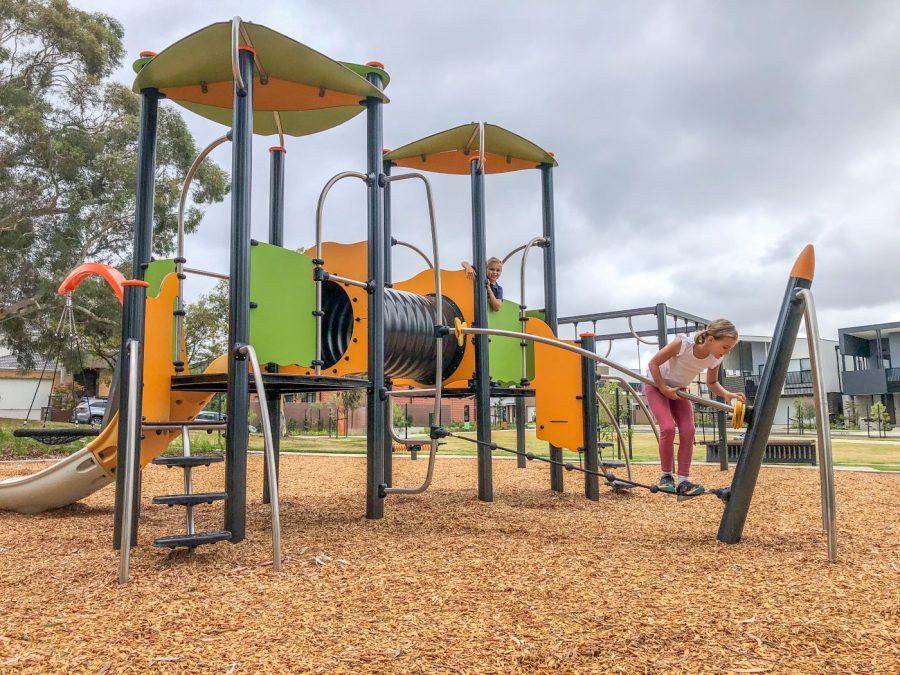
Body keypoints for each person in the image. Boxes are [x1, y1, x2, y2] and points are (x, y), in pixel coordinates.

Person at [645, 319, 745, 496]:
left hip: (679, 390)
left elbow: (712, 382)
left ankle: (683, 482)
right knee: (668, 428)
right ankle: (666, 476)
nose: (727, 352)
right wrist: (663, 388)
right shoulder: (683, 344)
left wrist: (727, 394)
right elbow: (653, 364)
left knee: (689, 430)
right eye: (725, 347)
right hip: (656, 384)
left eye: (730, 349)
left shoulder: (715, 358)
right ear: (711, 339)